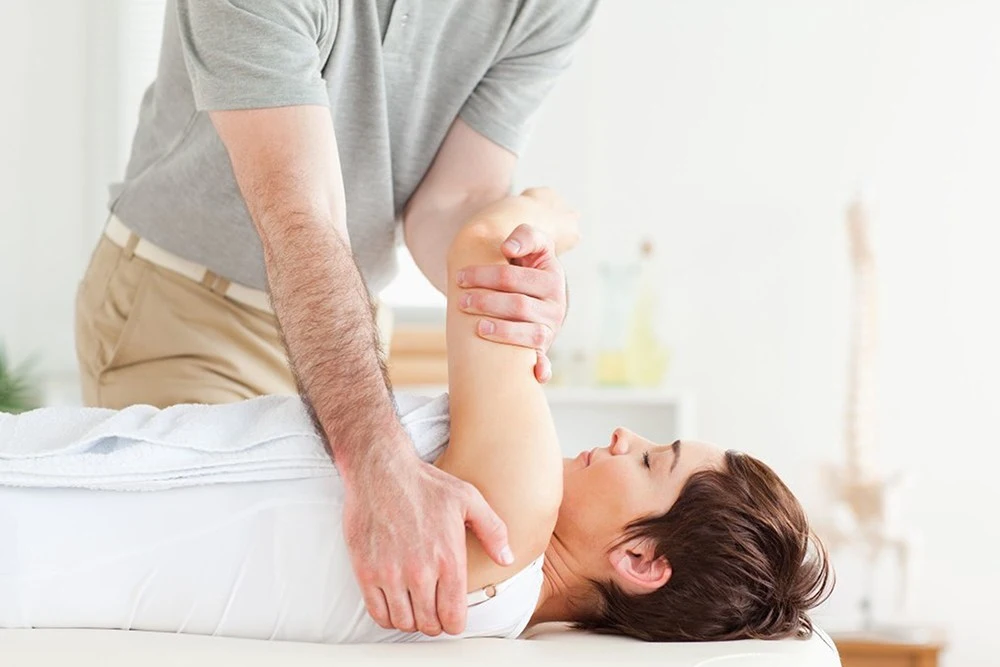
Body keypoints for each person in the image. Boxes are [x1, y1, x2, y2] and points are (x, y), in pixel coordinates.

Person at [3, 189, 832, 642]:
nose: (624, 437)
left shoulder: (516, 511)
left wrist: (559, 222)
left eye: (653, 460)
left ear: (643, 560)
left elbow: (488, 238)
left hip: (40, 504)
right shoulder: (489, 618)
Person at [74, 0, 599, 637]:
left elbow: (452, 201)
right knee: (203, 613)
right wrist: (379, 460)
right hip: (186, 309)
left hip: (349, 321)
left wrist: (508, 275)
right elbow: (300, 217)